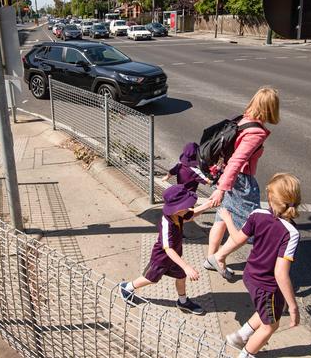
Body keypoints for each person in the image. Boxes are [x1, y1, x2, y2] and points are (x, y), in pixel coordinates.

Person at [218, 173, 301, 358]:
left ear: (270, 199)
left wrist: (228, 220)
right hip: (267, 285)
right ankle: (245, 354)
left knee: (269, 312)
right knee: (270, 325)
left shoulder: (257, 215)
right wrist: (293, 306)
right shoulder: (291, 233)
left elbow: (238, 240)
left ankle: (240, 336)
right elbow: (281, 273)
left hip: (251, 276)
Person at [204, 86, 280, 281]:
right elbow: (238, 161)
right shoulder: (256, 132)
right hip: (240, 181)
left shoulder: (242, 120)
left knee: (222, 218)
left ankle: (210, 258)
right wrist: (222, 189)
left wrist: (222, 184)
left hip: (226, 175)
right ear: (271, 108)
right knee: (249, 227)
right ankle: (219, 258)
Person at [119, 184, 213, 315]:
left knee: (181, 276)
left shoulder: (180, 214)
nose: (189, 208)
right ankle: (127, 287)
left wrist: (207, 205)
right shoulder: (167, 223)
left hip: (175, 258)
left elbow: (191, 215)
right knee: (150, 279)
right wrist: (186, 266)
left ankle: (182, 301)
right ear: (176, 209)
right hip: (161, 259)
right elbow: (168, 249)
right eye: (187, 206)